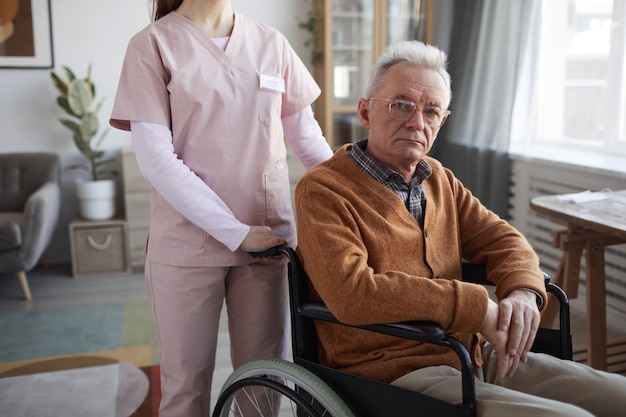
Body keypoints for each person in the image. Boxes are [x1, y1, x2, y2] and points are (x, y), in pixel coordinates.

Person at [294, 40, 626, 417]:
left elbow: (503, 239)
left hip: (471, 357)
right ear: (365, 112)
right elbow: (351, 292)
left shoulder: (439, 180)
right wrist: (475, 306)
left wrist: (521, 291)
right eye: (401, 104)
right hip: (388, 372)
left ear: (442, 121)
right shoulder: (323, 190)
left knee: (619, 396)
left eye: (431, 111)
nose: (417, 122)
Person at [109, 1, 333, 416]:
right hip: (186, 247)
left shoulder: (272, 43)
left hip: (267, 241)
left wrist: (363, 197)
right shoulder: (152, 45)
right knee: (186, 385)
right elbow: (157, 160)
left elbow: (309, 142)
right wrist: (235, 230)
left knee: (264, 383)